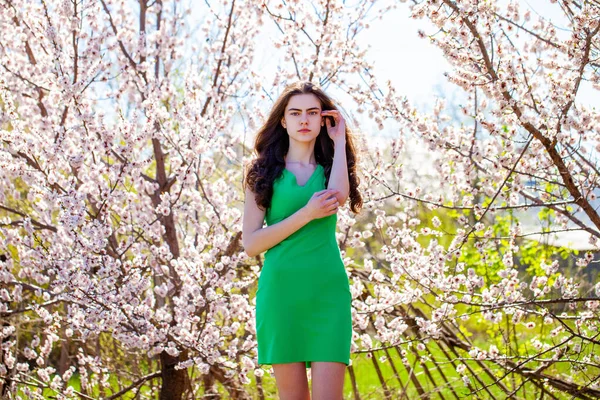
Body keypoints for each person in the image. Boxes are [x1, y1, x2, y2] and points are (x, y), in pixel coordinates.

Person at [242, 81, 363, 399]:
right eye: (295, 113)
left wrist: (338, 144)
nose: (304, 120)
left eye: (312, 112)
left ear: (323, 119)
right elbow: (251, 244)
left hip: (327, 293)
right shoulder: (262, 173)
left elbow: (338, 196)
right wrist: (306, 213)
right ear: (283, 121)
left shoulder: (330, 168)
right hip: (281, 294)